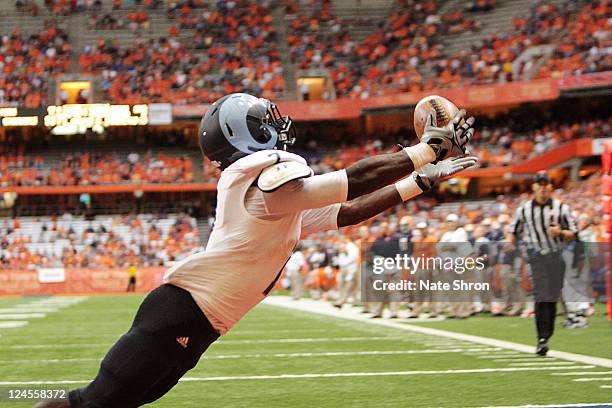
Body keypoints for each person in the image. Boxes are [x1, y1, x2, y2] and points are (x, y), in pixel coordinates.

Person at [35, 93, 476, 408]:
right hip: (179, 314)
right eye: (265, 117)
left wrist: (420, 180)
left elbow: (348, 210)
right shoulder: (261, 180)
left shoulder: (277, 197)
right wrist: (426, 149)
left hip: (197, 323)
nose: (276, 122)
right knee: (91, 402)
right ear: (245, 133)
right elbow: (349, 181)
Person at [510, 173, 577, 356]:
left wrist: (561, 232)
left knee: (552, 297)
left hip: (556, 256)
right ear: (534, 187)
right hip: (536, 256)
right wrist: (509, 244)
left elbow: (574, 232)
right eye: (540, 184)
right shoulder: (524, 210)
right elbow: (513, 230)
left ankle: (546, 335)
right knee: (541, 295)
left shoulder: (561, 208)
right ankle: (542, 339)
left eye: (546, 184)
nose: (543, 187)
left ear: (551, 188)